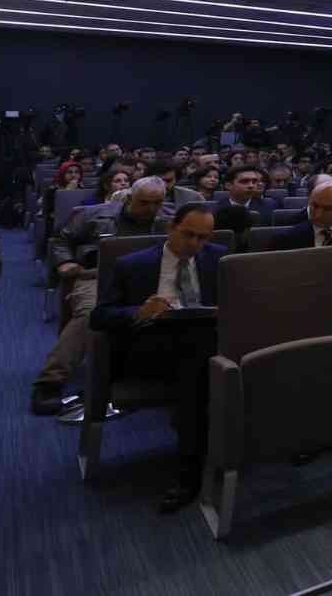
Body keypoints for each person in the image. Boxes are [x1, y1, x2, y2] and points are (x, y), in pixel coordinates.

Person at [90, 203, 224, 512]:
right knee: (200, 361)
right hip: (148, 347)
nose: (195, 244)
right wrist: (139, 311)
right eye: (188, 235)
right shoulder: (132, 265)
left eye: (203, 238)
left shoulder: (218, 258)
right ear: (170, 228)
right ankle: (195, 467)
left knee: (199, 355)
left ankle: (200, 458)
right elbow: (99, 317)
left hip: (202, 344)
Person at [32, 176, 170, 414]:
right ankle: (51, 381)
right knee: (91, 314)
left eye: (157, 203)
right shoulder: (94, 214)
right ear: (129, 198)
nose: (151, 209)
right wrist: (65, 262)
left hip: (151, 278)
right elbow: (61, 239)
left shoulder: (169, 219)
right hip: (97, 275)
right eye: (144, 202)